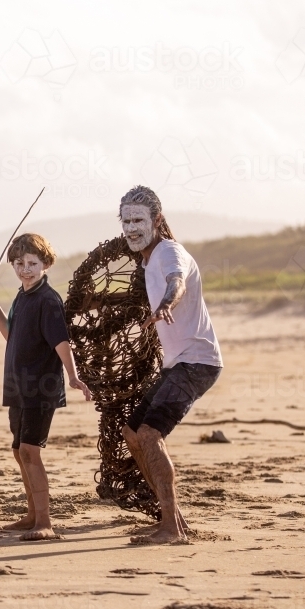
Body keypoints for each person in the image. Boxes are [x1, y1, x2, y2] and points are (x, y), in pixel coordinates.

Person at [118, 185, 223, 545]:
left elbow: (176, 282)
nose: (132, 228)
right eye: (126, 221)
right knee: (132, 434)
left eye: (139, 220)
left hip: (198, 362)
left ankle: (171, 530)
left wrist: (166, 304)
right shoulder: (148, 259)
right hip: (178, 363)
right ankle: (172, 516)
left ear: (157, 220)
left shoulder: (168, 252)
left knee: (149, 434)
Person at [0, 233, 92, 541]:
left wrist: (72, 375)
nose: (25, 269)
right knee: (18, 451)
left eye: (32, 263)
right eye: (19, 263)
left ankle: (45, 522)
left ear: (45, 263)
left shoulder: (48, 299)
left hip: (41, 386)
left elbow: (61, 341)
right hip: (17, 385)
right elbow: (10, 334)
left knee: (31, 450)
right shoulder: (22, 296)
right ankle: (30, 515)